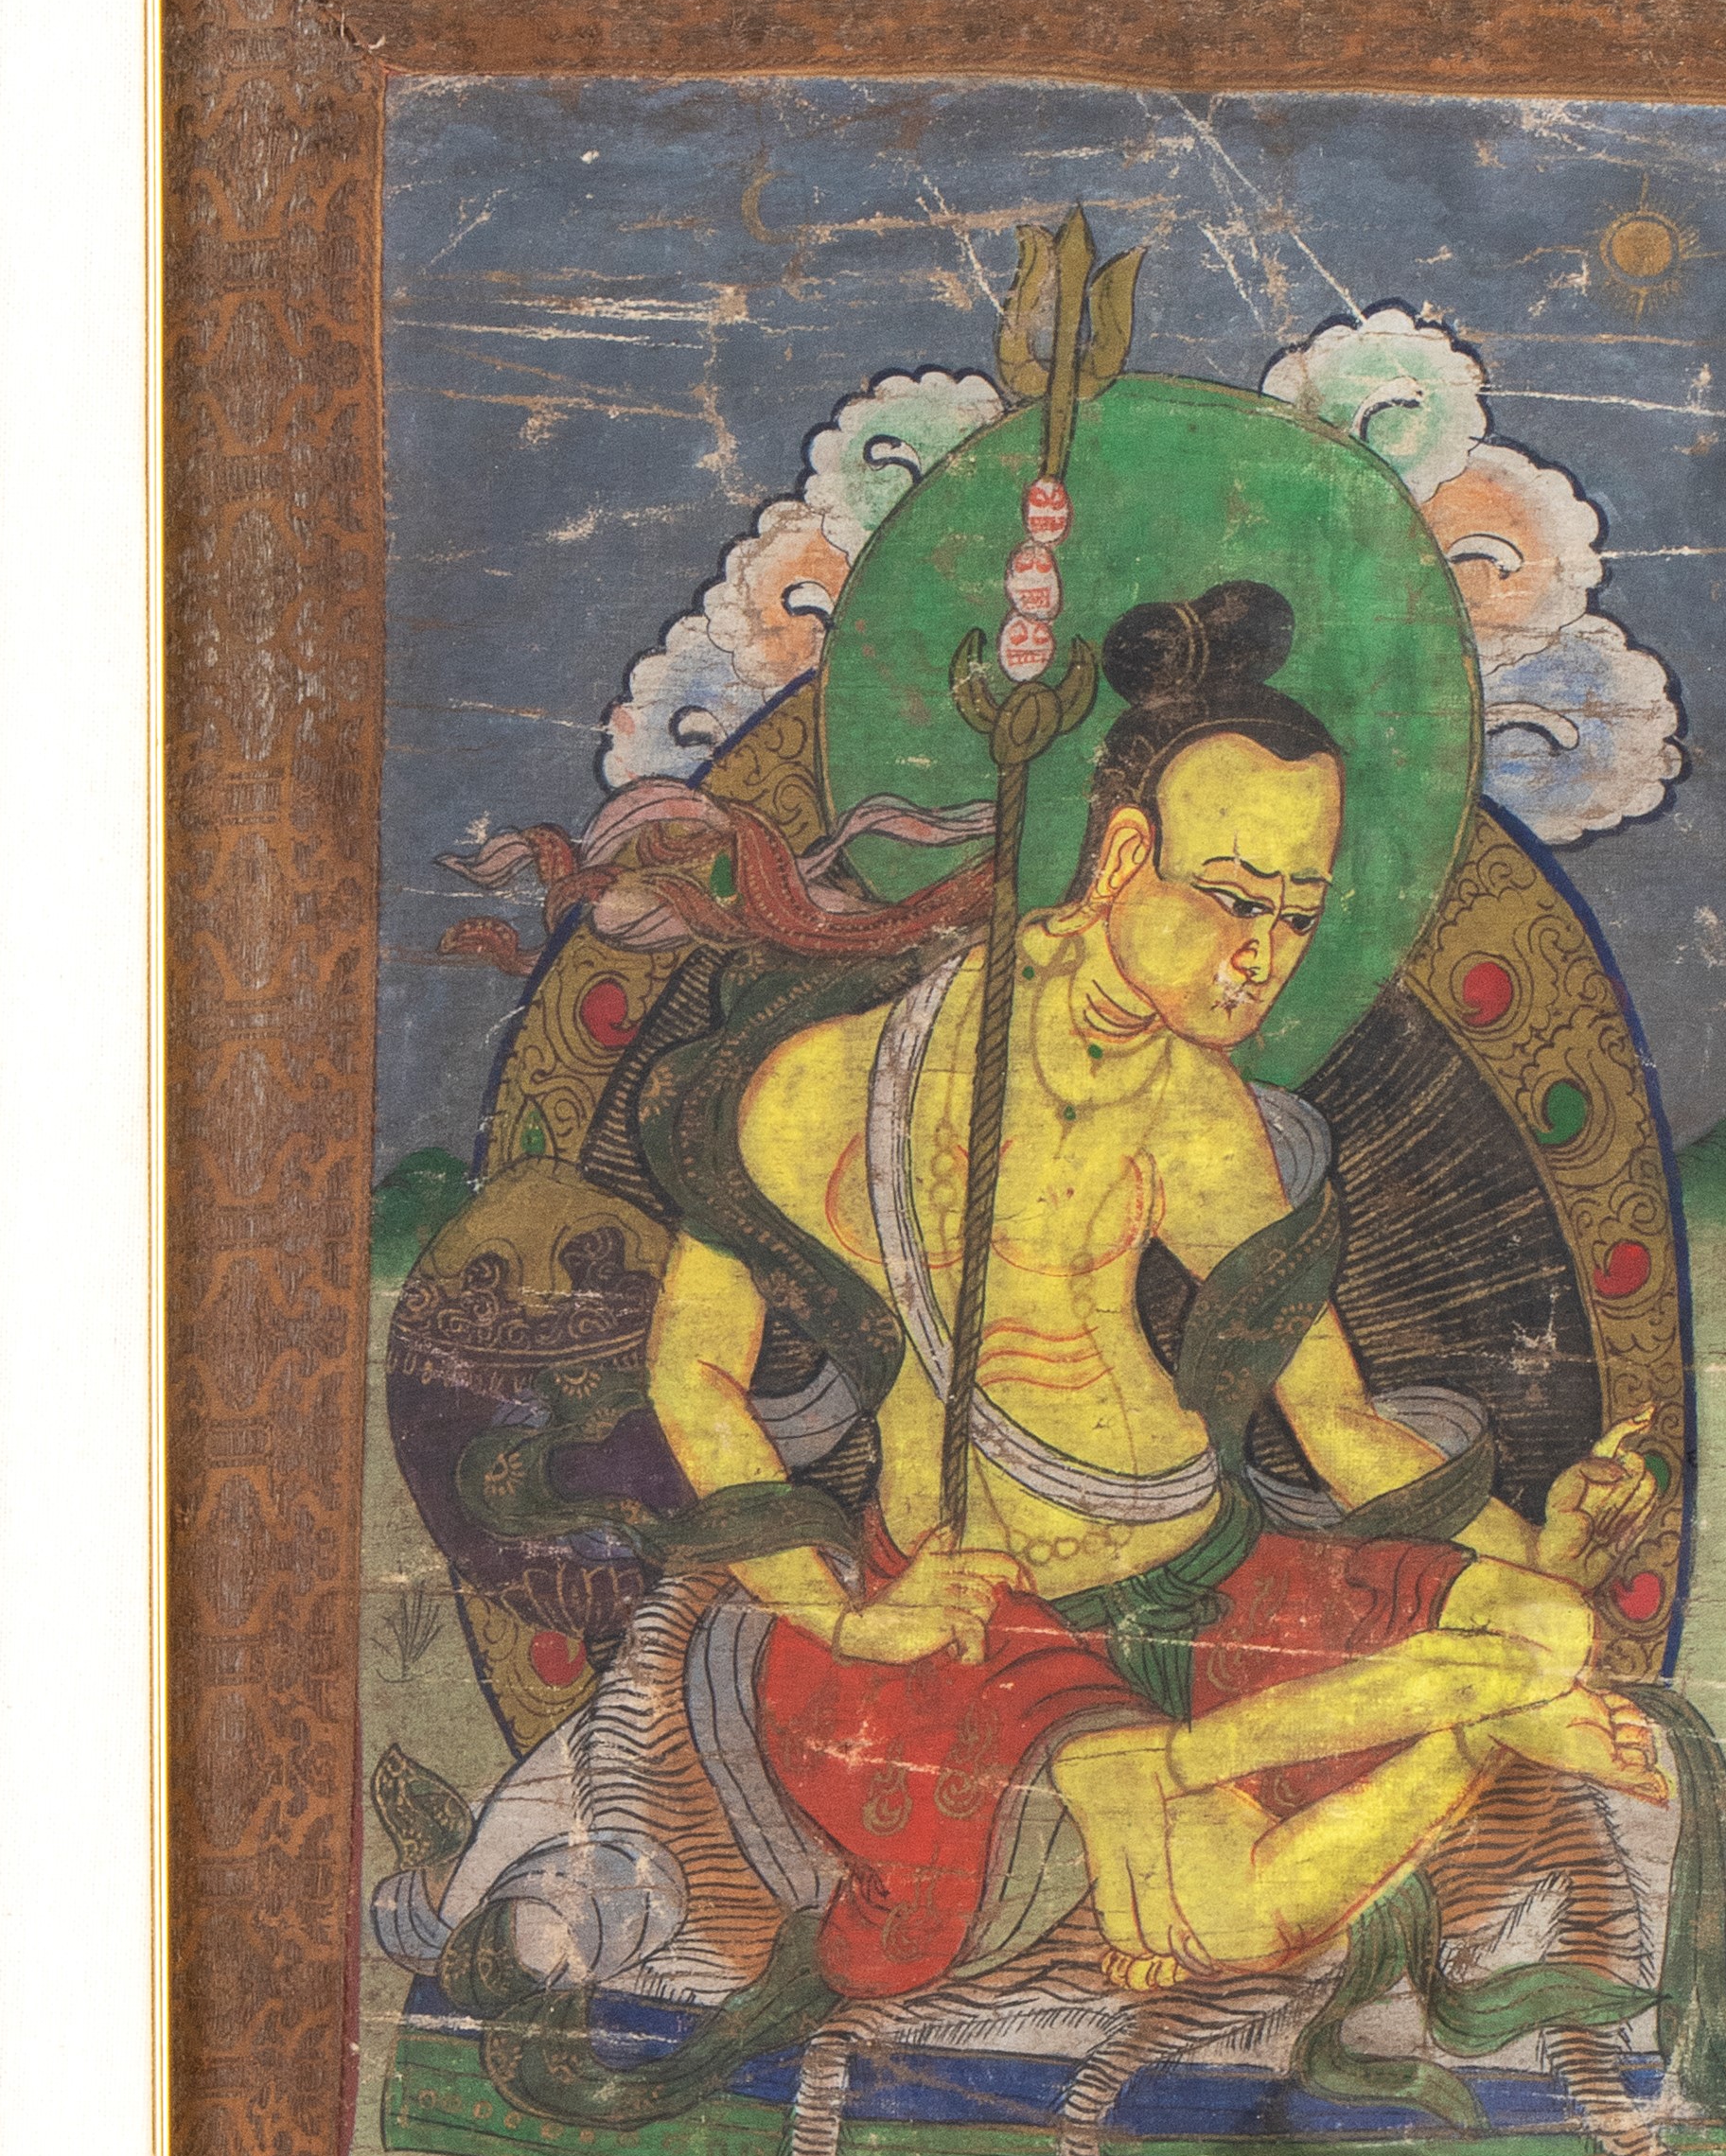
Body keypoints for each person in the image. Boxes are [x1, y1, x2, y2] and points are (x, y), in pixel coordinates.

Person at [642, 578, 1664, 2003]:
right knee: (1230, 1919)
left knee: (1552, 1624)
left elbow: (1339, 1425)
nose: (1262, 961)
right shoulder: (838, 1079)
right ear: (1125, 854)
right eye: (1233, 900)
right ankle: (1460, 1725)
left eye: (1297, 919)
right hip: (1003, 1616)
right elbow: (692, 1370)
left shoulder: (1201, 1115)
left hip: (1205, 1564)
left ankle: (1300, 1740)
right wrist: (840, 1615)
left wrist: (1534, 1546)